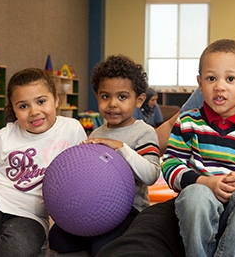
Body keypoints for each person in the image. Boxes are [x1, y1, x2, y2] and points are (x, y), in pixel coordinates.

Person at [97, 0, 235, 257]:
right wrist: (122, 151)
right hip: (198, 193)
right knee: (135, 244)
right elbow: (170, 130)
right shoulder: (221, 77)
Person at [162, 39, 235, 256]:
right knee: (196, 194)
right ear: (200, 83)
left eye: (230, 78)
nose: (220, 86)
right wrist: (203, 181)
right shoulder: (188, 122)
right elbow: (170, 164)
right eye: (211, 78)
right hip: (198, 207)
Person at [48, 55, 161, 256]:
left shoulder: (144, 132)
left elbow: (151, 175)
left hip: (129, 211)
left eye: (122, 97)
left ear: (139, 100)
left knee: (103, 249)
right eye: (105, 96)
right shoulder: (99, 133)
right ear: (97, 96)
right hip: (95, 208)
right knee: (57, 240)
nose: (113, 104)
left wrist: (122, 148)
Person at [0, 68, 87, 256]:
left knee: (17, 249)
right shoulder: (4, 137)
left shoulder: (72, 128)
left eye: (41, 101)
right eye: (23, 106)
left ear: (56, 99)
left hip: (32, 215)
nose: (34, 111)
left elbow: (84, 171)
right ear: (13, 109)